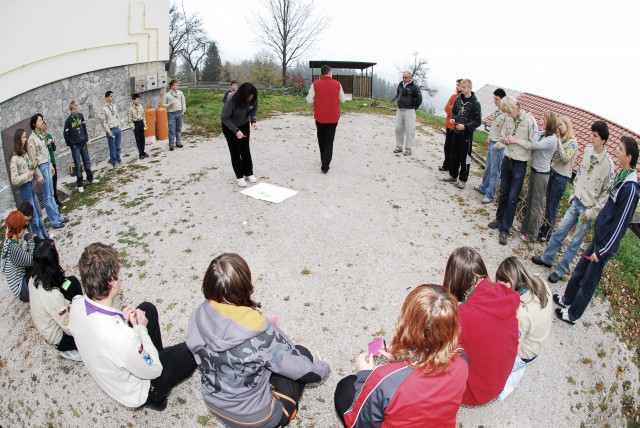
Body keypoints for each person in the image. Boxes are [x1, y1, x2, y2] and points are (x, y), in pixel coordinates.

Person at [187, 253, 330, 428]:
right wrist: (324, 367)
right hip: (258, 419)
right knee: (302, 353)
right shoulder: (260, 334)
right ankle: (283, 415)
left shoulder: (197, 315)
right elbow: (305, 372)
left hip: (214, 403)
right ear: (246, 286)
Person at [69, 243, 196, 411]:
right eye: (118, 274)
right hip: (141, 389)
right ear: (111, 282)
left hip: (115, 370)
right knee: (194, 347)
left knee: (146, 309)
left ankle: (156, 356)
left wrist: (121, 318)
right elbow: (154, 370)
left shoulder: (77, 304)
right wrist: (140, 329)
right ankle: (157, 399)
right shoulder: (123, 339)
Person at [334, 284, 468, 427]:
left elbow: (358, 423)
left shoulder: (383, 379)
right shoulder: (463, 360)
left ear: (408, 324)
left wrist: (364, 376)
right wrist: (403, 358)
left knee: (346, 385)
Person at [555, 136, 639, 324]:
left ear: (629, 157)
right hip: (599, 237)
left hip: (604, 245)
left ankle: (573, 314)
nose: (616, 151)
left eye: (620, 149)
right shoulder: (621, 177)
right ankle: (567, 299)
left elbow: (620, 225)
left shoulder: (631, 189)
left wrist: (602, 251)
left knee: (588, 282)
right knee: (579, 270)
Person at [532, 121, 614, 283]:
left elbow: (606, 194)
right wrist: (573, 193)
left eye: (595, 136)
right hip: (576, 201)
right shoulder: (588, 151)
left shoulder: (608, 165)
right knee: (560, 231)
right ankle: (548, 258)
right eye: (592, 134)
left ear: (603, 140)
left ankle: (561, 270)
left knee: (575, 242)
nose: (592, 138)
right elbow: (580, 173)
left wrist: (591, 213)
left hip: (587, 209)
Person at [443, 247, 519, 406]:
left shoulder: (464, 317)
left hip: (475, 392)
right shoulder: (504, 294)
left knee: (442, 352)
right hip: (499, 380)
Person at [494, 257, 552, 400]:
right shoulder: (539, 281)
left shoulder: (520, 313)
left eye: (500, 284)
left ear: (509, 283)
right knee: (518, 371)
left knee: (508, 367)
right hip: (539, 343)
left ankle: (501, 391)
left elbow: (513, 349)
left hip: (525, 353)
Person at [488, 97, 537, 245]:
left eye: (509, 112)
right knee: (503, 192)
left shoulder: (529, 121)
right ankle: (499, 218)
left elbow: (533, 143)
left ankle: (505, 229)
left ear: (515, 107)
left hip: (519, 164)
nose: (508, 115)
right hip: (507, 159)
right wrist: (505, 139)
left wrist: (516, 141)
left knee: (512, 197)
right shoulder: (508, 120)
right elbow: (502, 135)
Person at [28, 239, 84, 361]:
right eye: (57, 252)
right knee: (90, 335)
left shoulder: (34, 277)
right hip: (61, 337)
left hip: (51, 316)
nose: (60, 254)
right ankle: (69, 350)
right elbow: (69, 328)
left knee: (71, 282)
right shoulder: (53, 296)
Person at [519, 112, 561, 242]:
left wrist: (535, 126)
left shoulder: (552, 139)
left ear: (550, 122)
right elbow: (534, 137)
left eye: (544, 119)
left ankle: (532, 235)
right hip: (535, 170)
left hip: (541, 174)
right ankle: (524, 228)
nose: (542, 121)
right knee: (530, 200)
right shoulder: (544, 134)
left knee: (536, 205)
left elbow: (535, 144)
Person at [538, 115, 578, 242]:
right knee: (548, 203)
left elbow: (566, 158)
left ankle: (548, 232)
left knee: (553, 206)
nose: (559, 128)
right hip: (553, 172)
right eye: (558, 125)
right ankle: (544, 227)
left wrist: (559, 143)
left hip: (561, 177)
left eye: (561, 125)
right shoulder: (562, 140)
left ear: (567, 125)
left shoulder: (572, 143)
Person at [27, 114, 66, 229]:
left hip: (47, 165)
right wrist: (38, 175)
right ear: (34, 124)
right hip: (40, 168)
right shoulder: (32, 139)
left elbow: (46, 152)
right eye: (39, 121)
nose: (42, 122)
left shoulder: (41, 136)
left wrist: (50, 165)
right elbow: (33, 160)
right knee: (47, 196)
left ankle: (58, 217)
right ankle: (54, 221)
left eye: (42, 120)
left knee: (52, 194)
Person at [442, 79, 482, 189]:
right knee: (454, 154)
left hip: (466, 135)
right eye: (461, 87)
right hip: (456, 131)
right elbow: (454, 111)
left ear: (470, 88)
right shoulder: (458, 99)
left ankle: (463, 179)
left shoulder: (475, 103)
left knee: (465, 157)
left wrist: (465, 126)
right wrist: (453, 119)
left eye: (464, 87)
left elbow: (478, 121)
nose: (461, 89)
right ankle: (453, 174)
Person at [306, 65, 346, 173]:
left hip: (320, 116)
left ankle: (323, 159)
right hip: (333, 117)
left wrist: (317, 102)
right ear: (329, 73)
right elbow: (343, 100)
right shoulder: (337, 84)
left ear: (321, 74)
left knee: (321, 138)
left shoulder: (315, 84)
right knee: (329, 141)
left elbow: (309, 100)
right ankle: (325, 165)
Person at [11, 129, 49, 239]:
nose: (25, 139)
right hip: (25, 188)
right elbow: (14, 180)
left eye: (25, 137)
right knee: (33, 217)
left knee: (38, 212)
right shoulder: (15, 158)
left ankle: (45, 235)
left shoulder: (24, 154)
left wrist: (35, 166)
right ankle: (39, 239)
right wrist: (27, 175)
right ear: (18, 140)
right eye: (23, 137)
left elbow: (30, 167)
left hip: (30, 186)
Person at [221, 82, 259, 187]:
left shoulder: (253, 97)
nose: (250, 98)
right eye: (248, 96)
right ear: (242, 95)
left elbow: (254, 109)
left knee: (245, 149)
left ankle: (249, 173)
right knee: (235, 151)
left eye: (252, 96)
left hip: (244, 124)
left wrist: (253, 120)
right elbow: (224, 118)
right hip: (230, 127)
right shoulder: (231, 100)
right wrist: (236, 131)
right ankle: (239, 177)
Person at [474, 88, 507, 202]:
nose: (495, 101)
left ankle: (490, 194)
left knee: (495, 170)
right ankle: (484, 187)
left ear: (503, 99)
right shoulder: (497, 111)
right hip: (492, 141)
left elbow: (506, 133)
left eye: (496, 99)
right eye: (494, 98)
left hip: (498, 145)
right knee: (488, 167)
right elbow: (494, 127)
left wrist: (497, 145)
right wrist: (489, 139)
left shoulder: (506, 115)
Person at [63, 101, 99, 193]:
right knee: (78, 164)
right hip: (75, 145)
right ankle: (80, 184)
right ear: (70, 110)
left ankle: (90, 178)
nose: (75, 111)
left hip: (83, 142)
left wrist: (87, 140)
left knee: (87, 161)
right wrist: (70, 144)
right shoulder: (68, 121)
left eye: (76, 109)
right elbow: (66, 134)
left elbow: (84, 128)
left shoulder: (80, 116)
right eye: (74, 109)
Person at [1, 211, 35, 302]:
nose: (24, 231)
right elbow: (33, 259)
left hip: (19, 282)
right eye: (23, 227)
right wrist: (30, 240)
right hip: (22, 290)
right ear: (18, 228)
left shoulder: (9, 239)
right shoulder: (13, 248)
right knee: (40, 262)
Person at [392, 72, 422, 156]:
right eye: (403, 77)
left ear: (410, 78)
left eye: (405, 77)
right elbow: (398, 94)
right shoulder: (400, 85)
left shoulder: (415, 87)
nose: (404, 79)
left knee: (409, 130)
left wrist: (413, 108)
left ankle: (408, 149)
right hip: (400, 110)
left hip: (409, 111)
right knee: (398, 128)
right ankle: (399, 146)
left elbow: (419, 99)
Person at [440, 79, 462, 172]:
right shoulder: (453, 96)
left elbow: (457, 112)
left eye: (459, 85)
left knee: (454, 148)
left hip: (456, 127)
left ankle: (453, 166)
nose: (457, 87)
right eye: (456, 85)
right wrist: (452, 111)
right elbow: (447, 108)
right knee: (447, 146)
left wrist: (452, 110)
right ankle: (446, 164)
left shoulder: (462, 99)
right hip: (449, 125)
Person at [42, 121, 63, 208]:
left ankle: (56, 200)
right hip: (46, 163)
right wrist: (47, 144)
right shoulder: (41, 140)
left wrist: (52, 142)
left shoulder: (49, 136)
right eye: (44, 131)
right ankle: (55, 202)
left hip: (52, 162)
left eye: (46, 130)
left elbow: (54, 149)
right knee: (50, 185)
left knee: (54, 181)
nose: (46, 132)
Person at [99, 91, 122, 167]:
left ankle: (119, 159)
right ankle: (114, 162)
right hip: (111, 130)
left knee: (118, 147)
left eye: (112, 96)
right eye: (110, 96)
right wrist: (108, 131)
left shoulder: (114, 106)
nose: (112, 97)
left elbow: (117, 116)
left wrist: (119, 126)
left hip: (117, 128)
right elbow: (103, 122)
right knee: (113, 148)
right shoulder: (104, 109)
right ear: (106, 97)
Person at [162, 79, 186, 150]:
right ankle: (171, 145)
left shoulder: (180, 93)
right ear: (171, 86)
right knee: (172, 130)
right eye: (175, 85)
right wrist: (169, 104)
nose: (177, 86)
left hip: (179, 113)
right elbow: (163, 105)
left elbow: (183, 101)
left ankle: (178, 143)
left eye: (177, 85)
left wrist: (183, 110)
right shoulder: (167, 95)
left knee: (178, 129)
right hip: (171, 114)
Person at [128, 93, 149, 160]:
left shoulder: (140, 106)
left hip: (141, 123)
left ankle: (143, 152)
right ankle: (140, 153)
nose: (138, 101)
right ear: (133, 101)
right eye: (137, 100)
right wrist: (132, 126)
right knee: (138, 139)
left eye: (139, 99)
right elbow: (130, 119)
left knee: (142, 139)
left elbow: (143, 115)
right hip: (135, 124)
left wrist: (145, 124)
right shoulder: (130, 109)